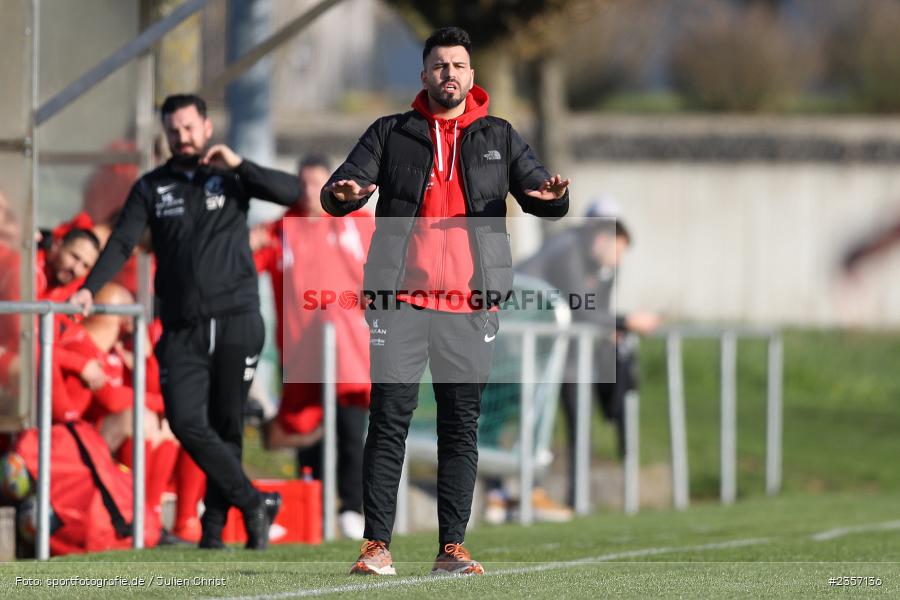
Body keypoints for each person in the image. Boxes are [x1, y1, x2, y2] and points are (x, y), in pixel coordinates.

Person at [321, 27, 570, 575]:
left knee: (461, 426)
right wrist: (341, 194)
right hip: (400, 303)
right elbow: (344, 187)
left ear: (472, 76)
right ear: (424, 75)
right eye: (439, 66)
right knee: (389, 421)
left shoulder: (499, 136)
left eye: (458, 65)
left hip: (469, 307)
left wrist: (554, 197)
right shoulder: (391, 132)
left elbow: (539, 196)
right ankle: (376, 547)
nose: (449, 74)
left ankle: (451, 549)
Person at [71, 93, 300, 550]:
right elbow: (120, 243)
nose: (183, 136)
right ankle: (254, 500)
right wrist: (88, 289)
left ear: (206, 128)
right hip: (182, 327)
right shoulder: (152, 187)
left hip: (237, 318)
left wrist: (239, 165)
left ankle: (214, 531)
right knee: (186, 420)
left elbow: (292, 192)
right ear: (166, 135)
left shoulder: (230, 177)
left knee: (228, 423)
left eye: (190, 127)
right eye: (174, 130)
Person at [252, 154, 373, 540]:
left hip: (352, 353)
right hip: (301, 353)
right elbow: (242, 263)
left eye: (316, 183)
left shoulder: (359, 224)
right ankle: (313, 504)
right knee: (306, 432)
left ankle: (352, 507)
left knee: (352, 430)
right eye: (302, 183)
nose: (308, 192)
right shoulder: (279, 229)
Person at [518, 198, 660, 507]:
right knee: (529, 422)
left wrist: (613, 325)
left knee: (577, 419)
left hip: (562, 351)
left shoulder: (602, 264)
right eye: (617, 249)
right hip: (522, 347)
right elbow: (581, 310)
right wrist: (626, 321)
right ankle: (519, 493)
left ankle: (575, 499)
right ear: (600, 237)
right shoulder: (568, 249)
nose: (618, 260)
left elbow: (598, 313)